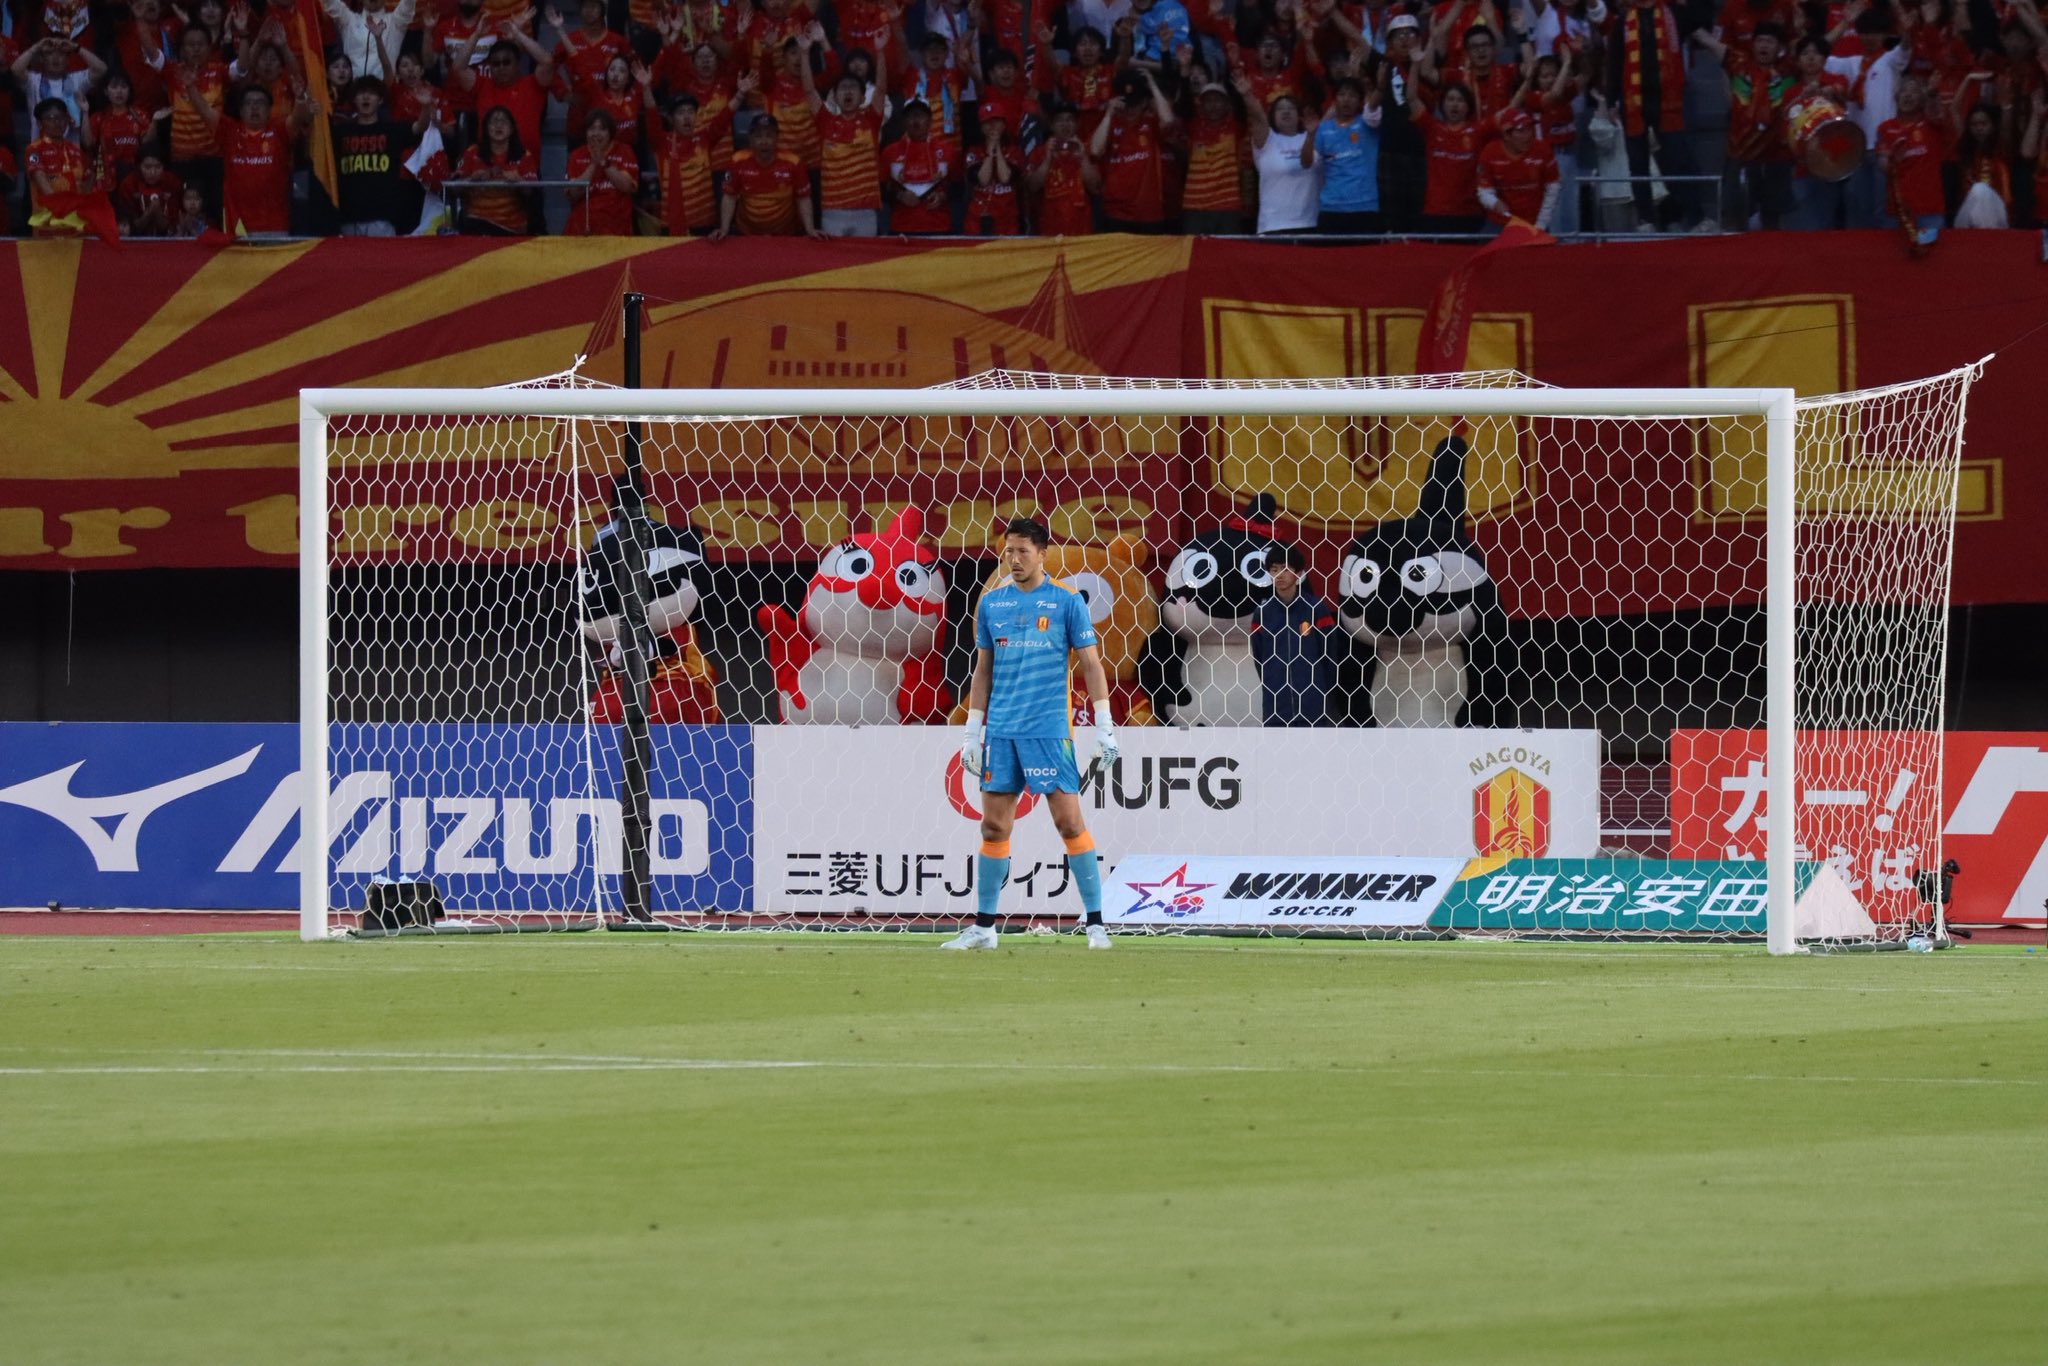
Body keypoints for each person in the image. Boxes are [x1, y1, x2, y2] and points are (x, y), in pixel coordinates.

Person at [947, 517, 1121, 951]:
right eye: (1009, 551)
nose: (1014, 559)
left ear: (1042, 554)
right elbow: (982, 670)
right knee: (993, 827)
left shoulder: (1066, 601)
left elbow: (1091, 664)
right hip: (1001, 732)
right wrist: (972, 733)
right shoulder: (993, 604)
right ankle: (984, 928)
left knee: (1069, 822)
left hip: (1048, 730)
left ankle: (1096, 923)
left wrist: (1104, 726)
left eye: (1023, 551)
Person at [1252, 545, 1332, 727]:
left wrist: (1321, 692)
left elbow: (1329, 656)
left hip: (1312, 707)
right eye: (1274, 570)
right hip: (1276, 708)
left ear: (1299, 573)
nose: (1279, 575)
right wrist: (1273, 680)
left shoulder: (1316, 609)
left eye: (1285, 569)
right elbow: (1259, 658)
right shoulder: (1262, 613)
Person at [1090, 66, 1177, 230]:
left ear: (1144, 103)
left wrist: (1152, 85)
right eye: (1126, 103)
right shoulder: (1111, 124)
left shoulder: (1151, 124)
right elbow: (1095, 150)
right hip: (1115, 212)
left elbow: (1168, 120)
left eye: (1134, 104)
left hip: (1148, 212)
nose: (1129, 109)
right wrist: (1108, 114)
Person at [811, 55, 888, 235]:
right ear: (835, 97)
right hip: (832, 211)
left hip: (865, 211)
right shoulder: (825, 122)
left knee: (864, 255)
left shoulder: (871, 121)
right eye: (843, 88)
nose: (848, 92)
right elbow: (809, 91)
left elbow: (881, 89)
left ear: (862, 97)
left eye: (853, 87)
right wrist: (805, 53)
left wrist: (880, 52)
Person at [715, 113, 822, 235]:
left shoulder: (793, 162)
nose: (764, 141)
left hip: (785, 235)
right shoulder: (738, 161)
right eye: (758, 136)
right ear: (750, 139)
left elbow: (803, 198)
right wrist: (724, 229)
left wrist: (810, 229)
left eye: (769, 136)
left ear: (777, 138)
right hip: (747, 234)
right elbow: (729, 196)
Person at [1245, 87, 1321, 232]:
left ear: (1299, 115)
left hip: (1309, 223)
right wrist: (1246, 94)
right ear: (1272, 116)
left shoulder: (1313, 136)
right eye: (1280, 109)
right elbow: (1257, 115)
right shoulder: (1267, 140)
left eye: (1291, 108)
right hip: (1273, 225)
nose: (1286, 112)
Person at [1315, 73, 1384, 230]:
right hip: (1331, 208)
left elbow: (1372, 108)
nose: (1346, 99)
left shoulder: (1368, 123)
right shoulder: (1323, 129)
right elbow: (1310, 163)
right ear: (1334, 99)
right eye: (1342, 94)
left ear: (1360, 101)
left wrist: (1379, 89)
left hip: (1365, 206)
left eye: (1352, 96)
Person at [454, 103, 538, 232]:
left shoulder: (524, 155)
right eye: (493, 122)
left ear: (512, 128)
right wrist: (471, 180)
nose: (499, 126)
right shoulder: (472, 152)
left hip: (511, 226)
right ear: (486, 128)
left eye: (504, 121)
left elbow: (532, 193)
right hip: (476, 222)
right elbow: (454, 189)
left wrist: (519, 181)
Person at [1477, 105, 1560, 227]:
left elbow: (1553, 188)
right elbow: (1484, 191)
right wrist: (1494, 203)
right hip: (1500, 223)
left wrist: (1540, 225)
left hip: (1535, 222)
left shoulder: (1543, 149)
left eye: (1530, 128)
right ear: (1506, 135)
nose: (1528, 135)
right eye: (1521, 130)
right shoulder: (1490, 153)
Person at [882, 99, 956, 232]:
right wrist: (900, 196)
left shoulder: (947, 151)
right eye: (911, 116)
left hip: (939, 225)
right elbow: (881, 189)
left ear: (930, 121)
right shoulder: (890, 152)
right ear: (904, 121)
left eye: (920, 116)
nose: (915, 121)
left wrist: (942, 196)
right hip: (901, 226)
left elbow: (959, 187)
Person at [1027, 103, 1102, 234]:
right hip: (1048, 228)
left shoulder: (1086, 150)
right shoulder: (1039, 152)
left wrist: (1083, 157)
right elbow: (1033, 186)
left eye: (1070, 119)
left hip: (1081, 228)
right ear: (1051, 125)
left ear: (1077, 124)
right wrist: (1047, 159)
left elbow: (1094, 186)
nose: (1065, 124)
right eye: (1059, 120)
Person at [564, 108, 640, 233]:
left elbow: (626, 186)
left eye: (602, 129)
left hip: (617, 229)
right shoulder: (577, 155)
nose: (596, 133)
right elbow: (573, 194)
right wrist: (594, 163)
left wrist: (604, 162)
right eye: (591, 129)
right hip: (583, 228)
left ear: (610, 133)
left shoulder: (625, 151)